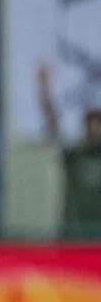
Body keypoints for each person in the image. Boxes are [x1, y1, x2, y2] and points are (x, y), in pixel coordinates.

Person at [38, 63, 101, 236]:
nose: (95, 131)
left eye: (99, 125)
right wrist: (44, 91)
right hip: (74, 236)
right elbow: (54, 130)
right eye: (91, 126)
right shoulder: (74, 155)